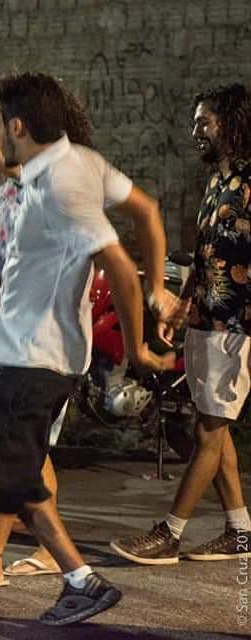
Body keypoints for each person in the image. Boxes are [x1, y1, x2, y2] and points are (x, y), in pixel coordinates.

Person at [0, 71, 174, 626]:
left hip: (35, 357)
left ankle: (57, 581)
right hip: (27, 354)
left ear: (17, 126)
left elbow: (119, 265)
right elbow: (146, 209)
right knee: (3, 473)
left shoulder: (60, 187)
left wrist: (138, 348)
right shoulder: (70, 169)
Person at [111, 83, 251, 565]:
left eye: (203, 122)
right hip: (206, 319)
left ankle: (170, 533)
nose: (195, 131)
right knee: (213, 425)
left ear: (230, 124)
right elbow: (204, 251)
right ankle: (240, 531)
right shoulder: (218, 181)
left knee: (210, 430)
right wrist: (182, 305)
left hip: (238, 326)